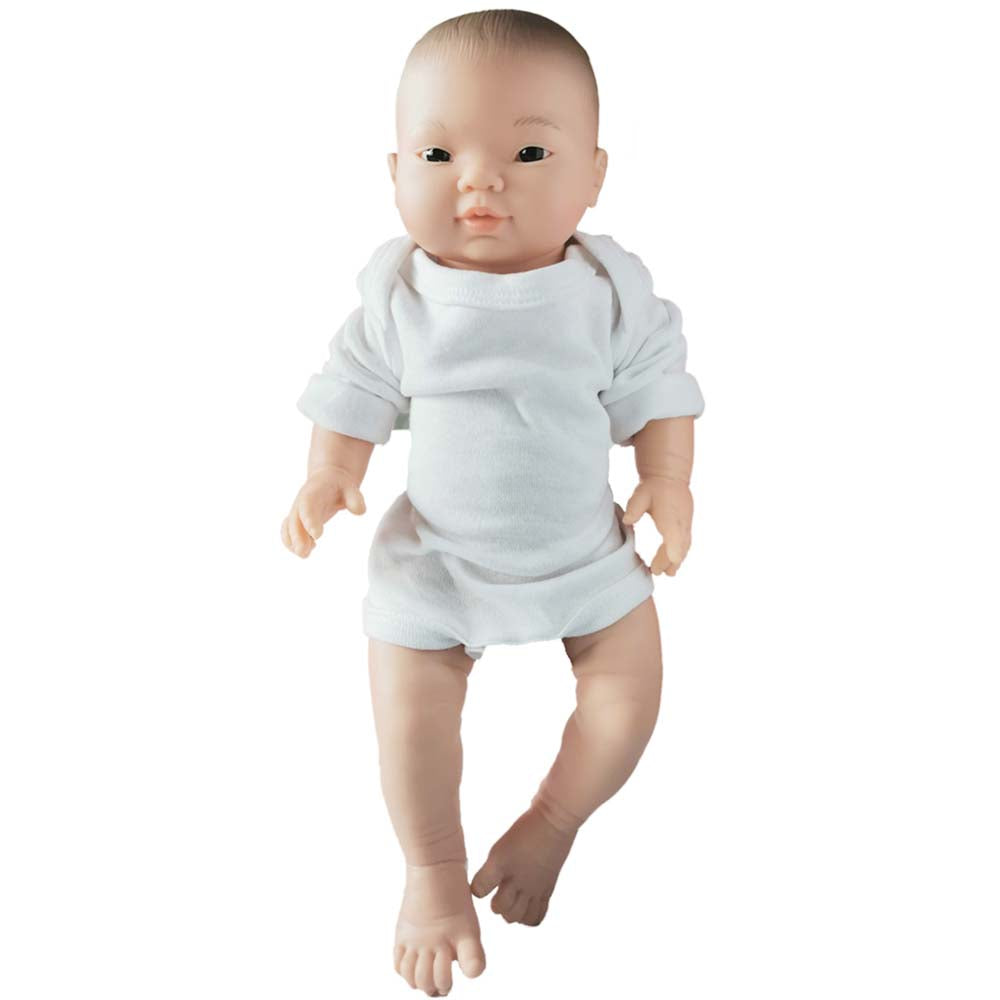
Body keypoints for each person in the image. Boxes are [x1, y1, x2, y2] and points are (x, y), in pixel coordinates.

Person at [280, 10, 705, 996]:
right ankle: (433, 875)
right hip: (438, 562)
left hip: (584, 554)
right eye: (439, 154)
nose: (481, 180)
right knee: (410, 720)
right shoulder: (400, 295)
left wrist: (669, 477)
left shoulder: (608, 290)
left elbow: (660, 383)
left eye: (528, 152)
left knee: (629, 701)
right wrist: (331, 469)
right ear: (395, 172)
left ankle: (553, 820)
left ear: (594, 174)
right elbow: (352, 386)